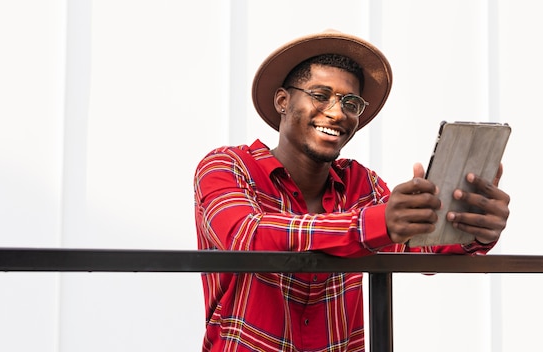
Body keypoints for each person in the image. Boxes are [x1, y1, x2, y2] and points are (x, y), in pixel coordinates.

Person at [193, 30, 509, 352]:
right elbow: (246, 235)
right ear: (283, 101)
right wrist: (374, 224)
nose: (337, 112)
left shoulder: (361, 185)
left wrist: (472, 228)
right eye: (320, 95)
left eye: (351, 102)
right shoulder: (227, 166)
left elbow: (420, 250)